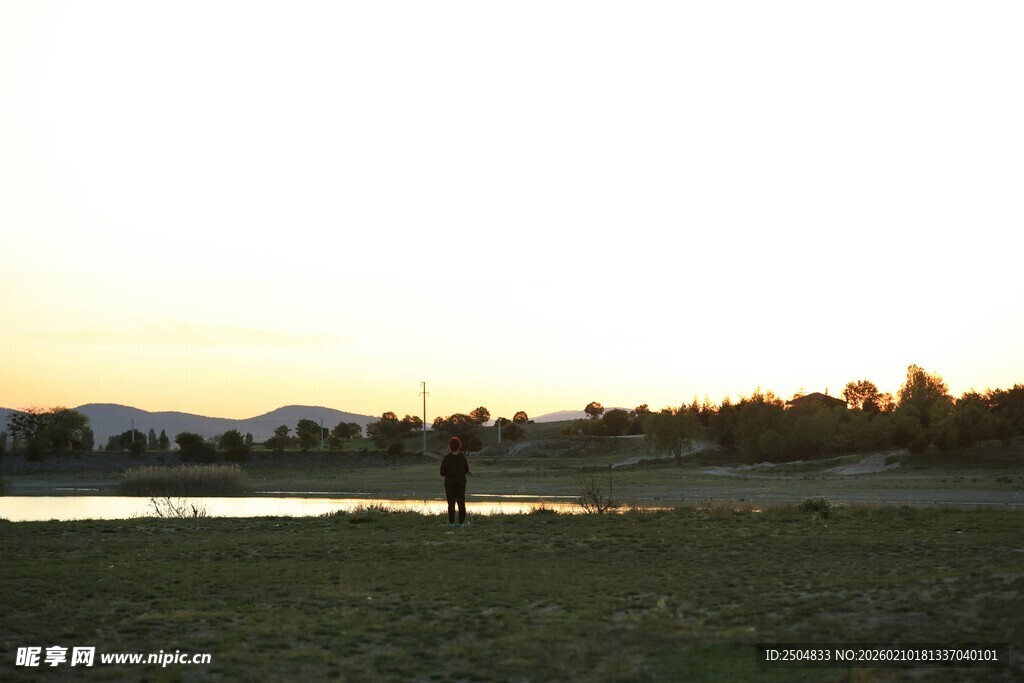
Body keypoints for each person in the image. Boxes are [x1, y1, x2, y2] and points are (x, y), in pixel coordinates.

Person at [440, 436, 469, 527]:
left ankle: (451, 522)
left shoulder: (447, 458)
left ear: (450, 446)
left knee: (451, 503)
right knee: (461, 502)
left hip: (449, 483)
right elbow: (467, 470)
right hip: (461, 483)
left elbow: (442, 472)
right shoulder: (462, 457)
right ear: (459, 446)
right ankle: (461, 522)